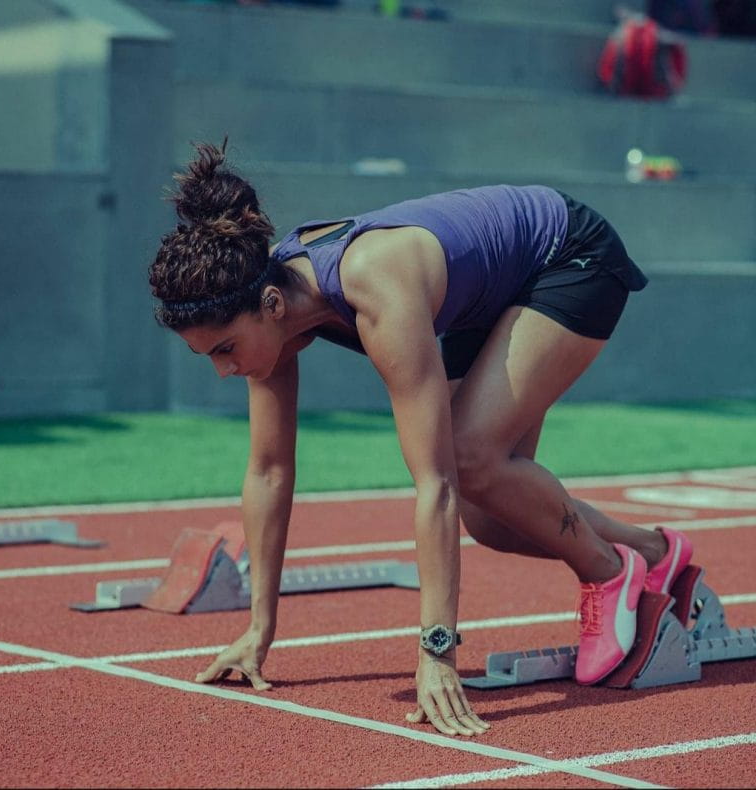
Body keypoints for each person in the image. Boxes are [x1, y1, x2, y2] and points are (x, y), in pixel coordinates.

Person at [148, 140, 694, 737]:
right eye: (208, 357)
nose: (223, 370)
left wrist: (437, 652)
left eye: (225, 349)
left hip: (568, 255)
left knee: (467, 458)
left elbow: (436, 483)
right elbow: (269, 471)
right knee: (491, 520)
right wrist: (259, 629)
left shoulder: (375, 288)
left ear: (272, 304)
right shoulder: (265, 300)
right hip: (484, 298)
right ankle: (655, 553)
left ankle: (608, 571)